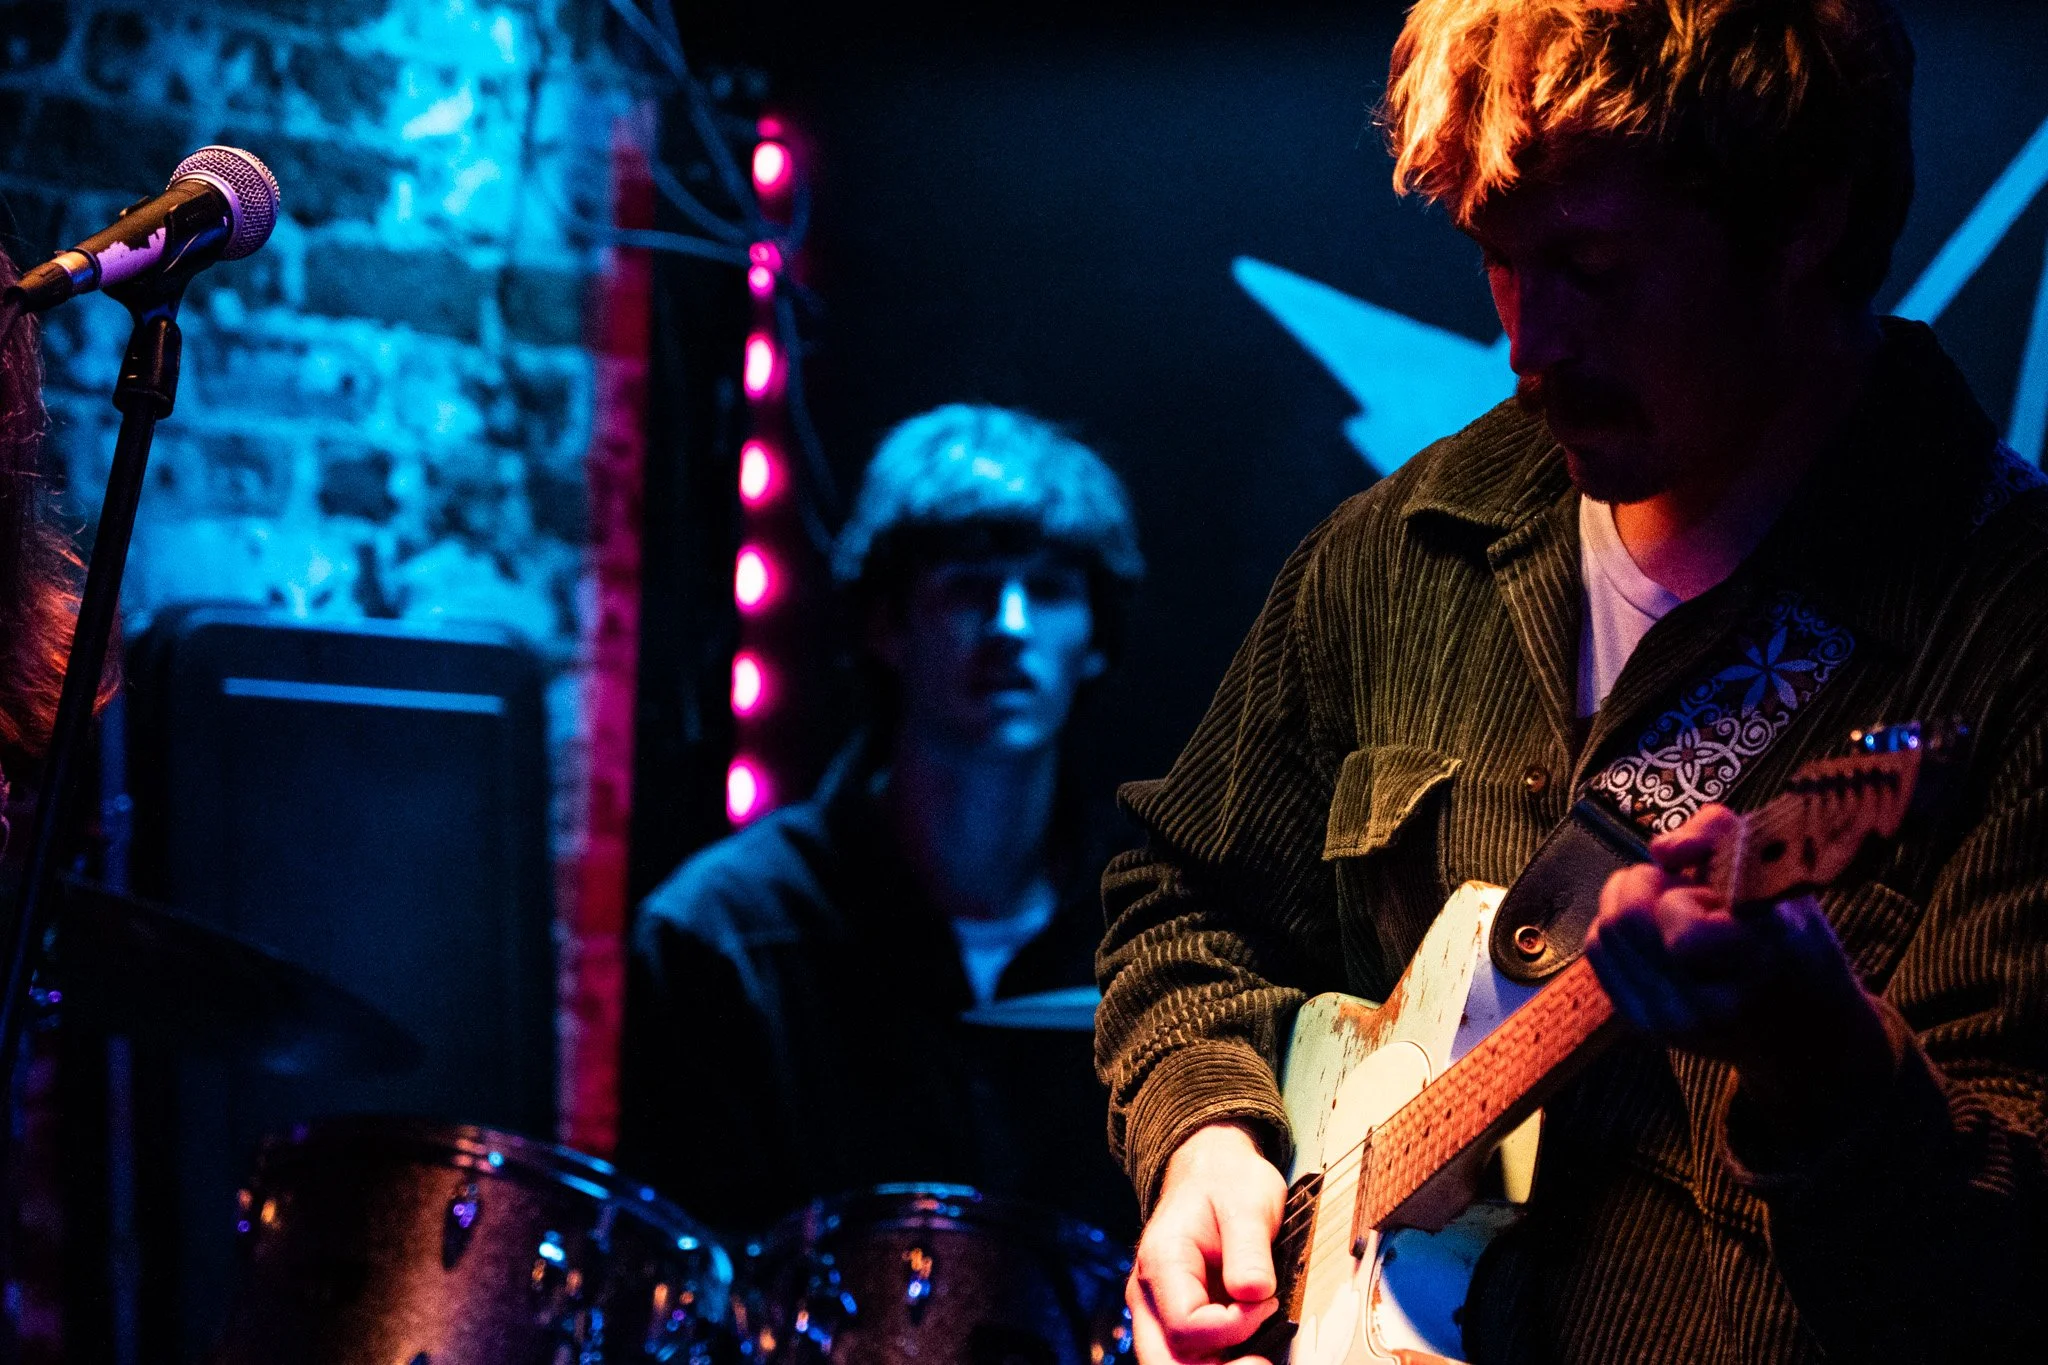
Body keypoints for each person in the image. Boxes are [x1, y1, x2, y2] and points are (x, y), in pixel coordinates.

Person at [1099, 2, 2048, 1362]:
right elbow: (1185, 904)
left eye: (1595, 268)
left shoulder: (2008, 639)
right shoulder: (1398, 553)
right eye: (1499, 260)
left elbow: (2000, 1283)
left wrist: (1820, 1055)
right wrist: (1206, 1134)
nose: (1529, 343)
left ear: (1807, 222)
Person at [620, 403, 1144, 1239]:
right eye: (969, 587)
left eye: (1048, 589)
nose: (1011, 627)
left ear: (1096, 639)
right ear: (885, 623)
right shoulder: (721, 934)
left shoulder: (1163, 929)